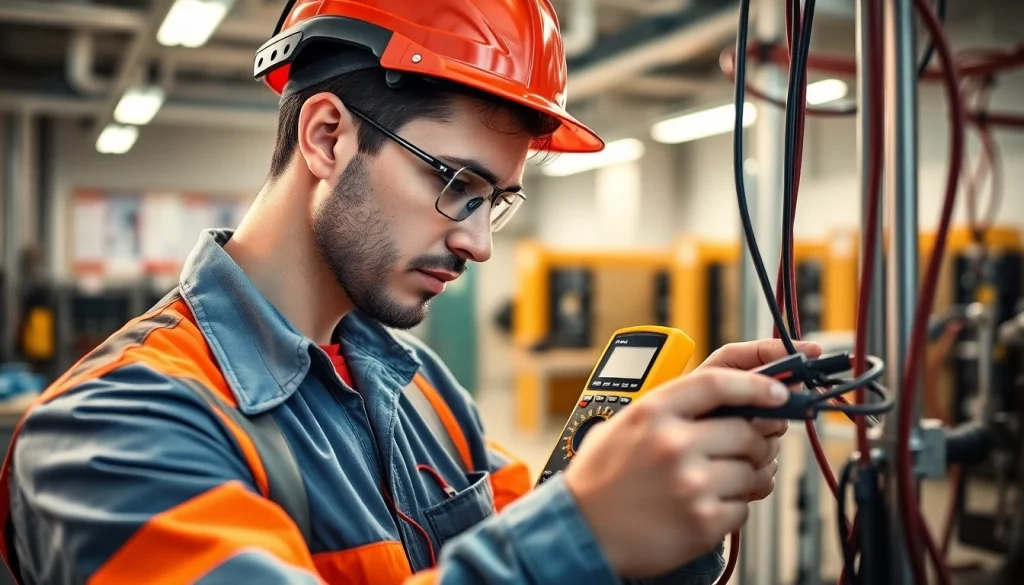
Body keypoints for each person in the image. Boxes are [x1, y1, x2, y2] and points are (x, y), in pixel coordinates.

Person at [0, 1, 821, 583]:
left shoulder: (424, 391)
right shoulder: (112, 428)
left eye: (495, 200)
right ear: (328, 136)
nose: (480, 241)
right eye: (458, 182)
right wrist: (585, 530)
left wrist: (662, 516)